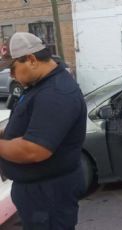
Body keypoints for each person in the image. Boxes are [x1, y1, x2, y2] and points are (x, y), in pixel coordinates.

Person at [0, 32, 87, 229]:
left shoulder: (56, 93)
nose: (11, 75)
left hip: (48, 195)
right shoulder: (40, 85)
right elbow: (30, 124)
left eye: (12, 69)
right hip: (39, 193)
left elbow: (34, 150)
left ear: (31, 59)